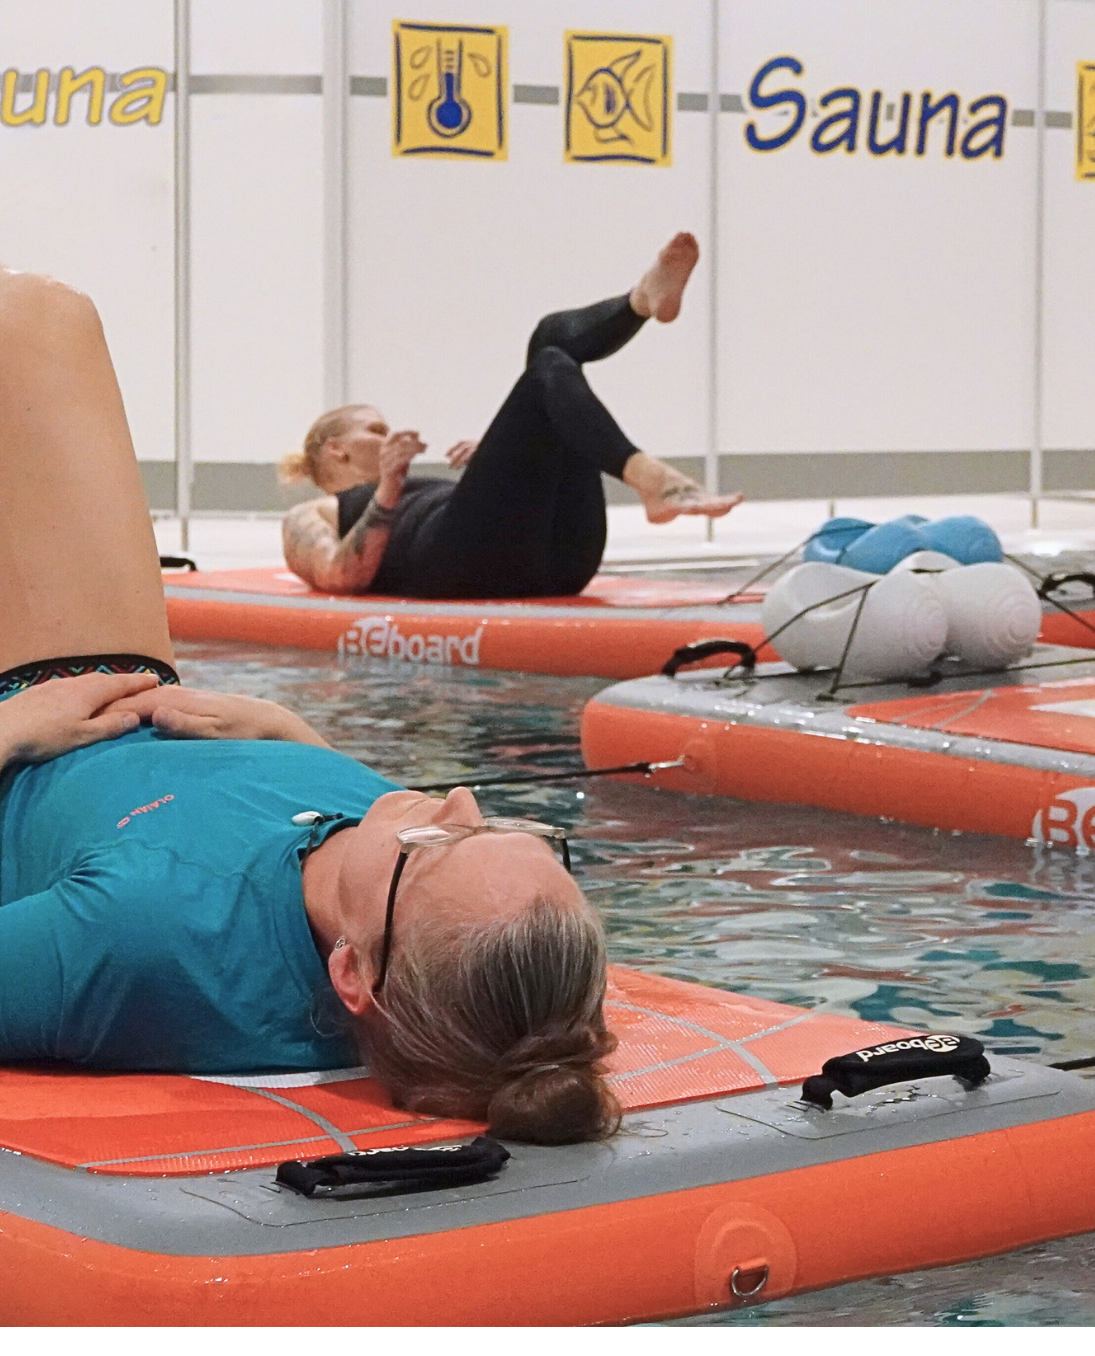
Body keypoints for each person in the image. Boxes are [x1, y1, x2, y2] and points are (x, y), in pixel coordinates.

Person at [0, 264, 619, 1143]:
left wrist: (6, 733)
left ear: (353, 974)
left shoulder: (135, 946)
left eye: (444, 844)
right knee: (49, 313)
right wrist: (291, 735)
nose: (455, 801)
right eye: (496, 826)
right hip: (121, 670)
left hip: (22, 723)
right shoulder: (404, 889)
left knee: (23, 315)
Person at [280, 233, 741, 598]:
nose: (389, 433)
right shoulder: (311, 513)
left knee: (549, 342)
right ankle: (652, 480)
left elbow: (491, 508)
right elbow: (342, 578)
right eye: (375, 430)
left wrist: (505, 455)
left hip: (560, 558)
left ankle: (641, 302)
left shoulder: (413, 487)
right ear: (335, 450)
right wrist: (386, 490)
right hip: (460, 566)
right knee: (547, 368)